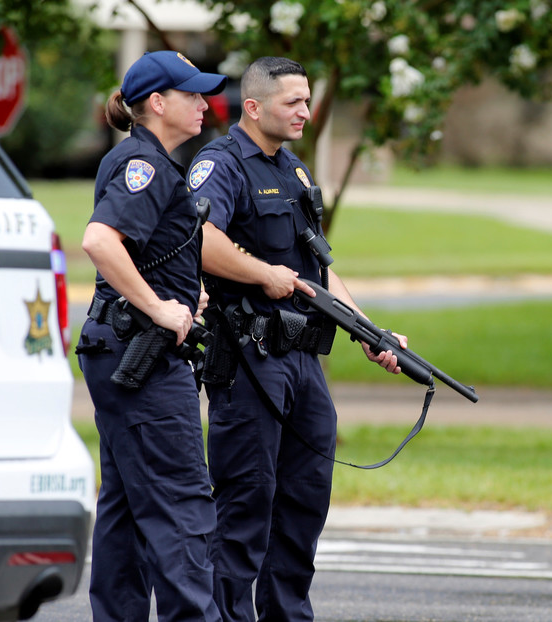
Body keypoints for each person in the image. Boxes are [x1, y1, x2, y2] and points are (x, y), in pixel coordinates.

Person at [187, 56, 406, 622]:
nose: (307, 112)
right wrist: (263, 274)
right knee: (244, 507)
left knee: (304, 503)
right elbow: (200, 240)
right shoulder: (221, 165)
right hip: (249, 361)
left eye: (308, 101)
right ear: (254, 107)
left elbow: (318, 270)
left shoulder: (295, 171)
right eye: (294, 103)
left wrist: (367, 331)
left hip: (304, 362)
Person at [76, 50, 226, 621]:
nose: (204, 103)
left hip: (119, 349)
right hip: (141, 358)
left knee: (125, 508)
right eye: (192, 94)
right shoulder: (147, 165)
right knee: (182, 507)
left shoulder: (143, 161)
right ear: (157, 104)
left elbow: (140, 248)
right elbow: (99, 241)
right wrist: (160, 307)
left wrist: (181, 292)